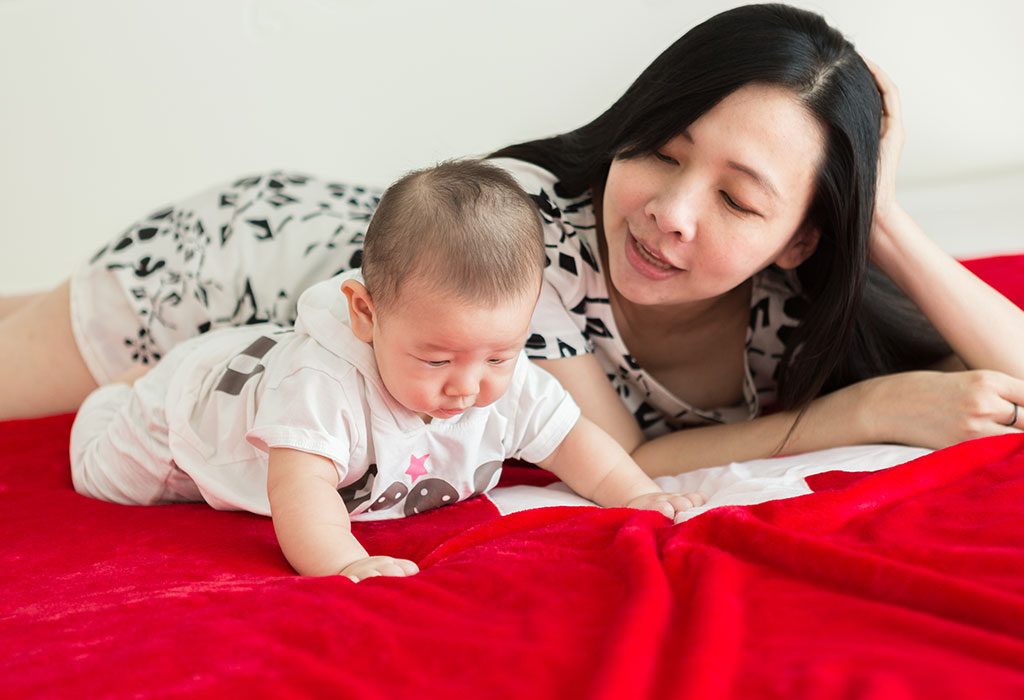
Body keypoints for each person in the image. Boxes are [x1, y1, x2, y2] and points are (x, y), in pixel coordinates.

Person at [3, 4, 1022, 475]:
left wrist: (880, 213)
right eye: (663, 152)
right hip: (238, 274)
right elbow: (614, 457)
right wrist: (875, 409)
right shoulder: (534, 239)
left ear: (802, 238)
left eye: (739, 200)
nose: (673, 210)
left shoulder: (791, 297)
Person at [68, 160, 704, 581]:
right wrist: (347, 564)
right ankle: (117, 392)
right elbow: (302, 493)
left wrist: (638, 494)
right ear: (366, 314)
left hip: (253, 356)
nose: (467, 385)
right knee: (99, 474)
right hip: (189, 416)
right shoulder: (322, 388)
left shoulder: (490, 368)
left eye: (498, 357)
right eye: (436, 359)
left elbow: (573, 439)